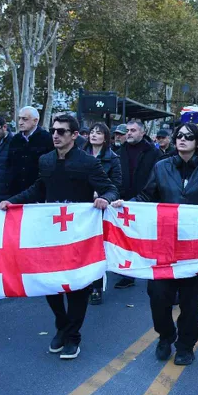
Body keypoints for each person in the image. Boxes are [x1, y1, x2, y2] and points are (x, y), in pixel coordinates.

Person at [113, 122, 198, 365]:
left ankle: (185, 346)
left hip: (194, 248)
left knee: (191, 302)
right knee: (158, 296)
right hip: (162, 245)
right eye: (178, 136)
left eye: (188, 137)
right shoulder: (161, 167)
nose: (181, 140)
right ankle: (165, 336)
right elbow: (147, 196)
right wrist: (124, 205)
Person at [0, 114, 118, 360]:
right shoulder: (45, 160)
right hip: (51, 233)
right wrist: (12, 202)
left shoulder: (87, 162)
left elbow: (110, 187)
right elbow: (38, 188)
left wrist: (104, 198)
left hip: (78, 234)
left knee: (77, 285)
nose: (56, 135)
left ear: (75, 135)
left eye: (62, 131)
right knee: (50, 282)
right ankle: (62, 325)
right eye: (53, 130)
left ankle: (73, 336)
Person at [114, 120, 161, 289]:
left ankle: (149, 270)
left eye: (133, 130)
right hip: (123, 201)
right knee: (124, 239)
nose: (129, 133)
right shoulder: (119, 152)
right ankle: (128, 274)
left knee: (144, 238)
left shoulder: (153, 153)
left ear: (142, 132)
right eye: (127, 130)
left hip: (145, 202)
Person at [83, 122, 122, 305]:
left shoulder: (113, 158)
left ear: (105, 137)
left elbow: (116, 184)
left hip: (100, 208)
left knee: (96, 247)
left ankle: (96, 286)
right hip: (81, 207)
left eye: (98, 133)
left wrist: (102, 195)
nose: (94, 135)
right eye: (92, 132)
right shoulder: (80, 154)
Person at [8, 106, 54, 197]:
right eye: (19, 118)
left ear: (35, 121)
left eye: (24, 119)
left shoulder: (47, 139)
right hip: (16, 191)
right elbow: (9, 164)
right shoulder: (15, 140)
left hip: (39, 191)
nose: (20, 122)